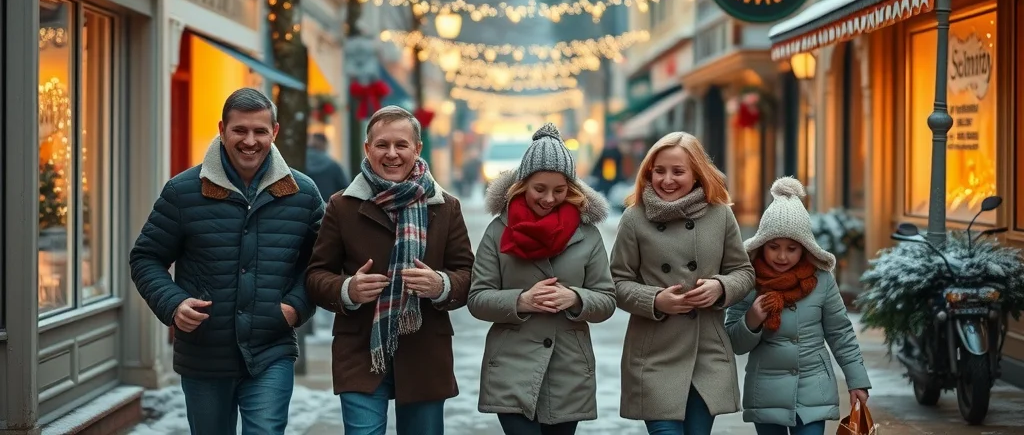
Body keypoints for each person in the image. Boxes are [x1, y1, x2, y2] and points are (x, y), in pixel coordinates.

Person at [129, 88, 324, 435]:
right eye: (240, 130)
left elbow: (322, 264)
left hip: (271, 351)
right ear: (222, 129)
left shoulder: (303, 193)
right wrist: (173, 304)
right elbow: (146, 258)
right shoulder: (183, 191)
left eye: (260, 131)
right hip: (204, 355)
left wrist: (296, 307)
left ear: (274, 132)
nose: (250, 141)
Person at [305, 106, 475, 435]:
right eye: (382, 145)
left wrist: (440, 284)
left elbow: (467, 276)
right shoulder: (342, 206)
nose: (392, 154)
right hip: (361, 347)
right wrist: (347, 290)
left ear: (417, 149)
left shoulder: (445, 207)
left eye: (402, 145)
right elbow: (316, 276)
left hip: (425, 350)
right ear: (367, 149)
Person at [468, 123, 616, 435]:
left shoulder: (587, 235)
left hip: (568, 369)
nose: (549, 199)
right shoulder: (498, 231)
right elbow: (477, 298)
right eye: (540, 189)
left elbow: (607, 299)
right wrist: (520, 301)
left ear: (571, 189)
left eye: (559, 190)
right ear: (522, 185)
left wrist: (575, 298)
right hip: (511, 366)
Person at [609, 131, 755, 435]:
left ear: (696, 173)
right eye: (659, 171)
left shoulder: (721, 216)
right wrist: (655, 300)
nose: (667, 180)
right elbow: (616, 283)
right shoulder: (634, 219)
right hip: (654, 354)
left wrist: (720, 287)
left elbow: (743, 272)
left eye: (678, 171)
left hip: (707, 353)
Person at [725, 177, 871, 435]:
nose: (782, 256)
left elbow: (840, 333)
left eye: (792, 248)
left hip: (814, 390)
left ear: (804, 248)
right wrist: (752, 319)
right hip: (766, 393)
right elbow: (734, 343)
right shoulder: (749, 280)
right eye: (774, 247)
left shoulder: (822, 280)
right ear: (762, 245)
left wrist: (856, 381)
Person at [306, 132, 350, 200]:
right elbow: (345, 190)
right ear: (324, 144)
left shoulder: (299, 164)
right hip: (328, 206)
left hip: (306, 206)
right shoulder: (333, 165)